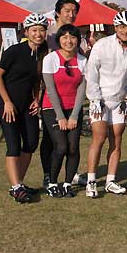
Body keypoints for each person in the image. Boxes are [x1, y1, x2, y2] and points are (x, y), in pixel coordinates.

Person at [84, 11, 127, 198]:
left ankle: (110, 181)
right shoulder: (102, 45)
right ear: (116, 27)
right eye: (122, 27)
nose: (126, 31)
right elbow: (91, 72)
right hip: (100, 99)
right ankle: (91, 182)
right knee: (99, 138)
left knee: (116, 140)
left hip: (119, 101)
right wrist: (94, 98)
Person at [0, 14, 48, 203]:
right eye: (34, 30)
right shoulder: (14, 51)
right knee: (13, 145)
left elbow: (36, 80)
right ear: (26, 32)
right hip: (6, 103)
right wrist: (7, 102)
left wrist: (36, 98)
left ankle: (19, 184)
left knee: (32, 143)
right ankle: (16, 188)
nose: (38, 34)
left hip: (27, 105)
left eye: (41, 29)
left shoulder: (43, 53)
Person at [41, 24, 87, 198]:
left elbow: (82, 89)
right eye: (65, 37)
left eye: (73, 37)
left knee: (73, 147)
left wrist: (74, 115)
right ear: (59, 39)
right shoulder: (51, 59)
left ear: (78, 40)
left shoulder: (82, 60)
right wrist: (60, 116)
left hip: (73, 109)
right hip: (52, 108)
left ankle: (67, 183)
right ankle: (52, 183)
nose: (69, 41)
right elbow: (50, 90)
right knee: (61, 147)